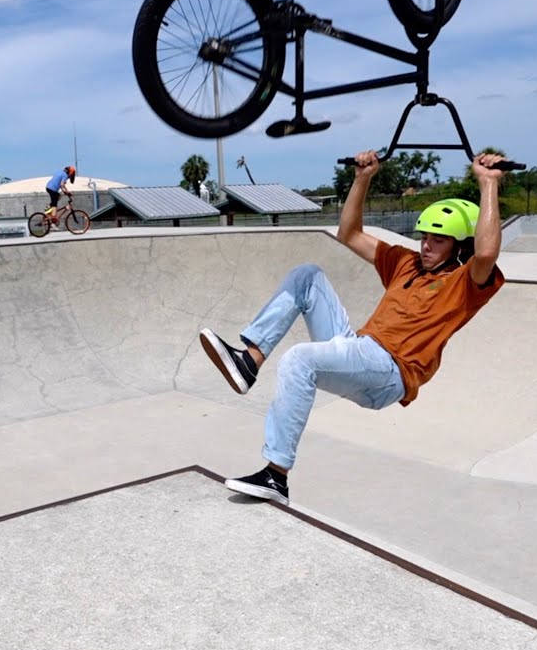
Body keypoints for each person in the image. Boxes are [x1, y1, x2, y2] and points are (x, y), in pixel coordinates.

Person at [198, 150, 511, 506]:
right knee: (307, 275)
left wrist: (488, 184)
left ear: (460, 246)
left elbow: (486, 255)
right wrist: (363, 178)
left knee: (299, 360)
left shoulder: (465, 282)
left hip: (391, 371)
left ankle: (276, 476)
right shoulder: (405, 263)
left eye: (438, 241)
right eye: (424, 236)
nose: (425, 246)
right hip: (360, 352)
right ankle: (249, 361)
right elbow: (348, 234)